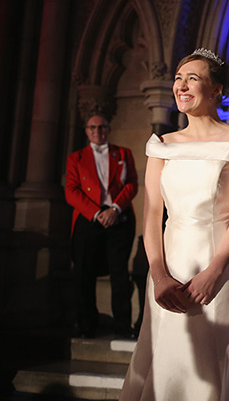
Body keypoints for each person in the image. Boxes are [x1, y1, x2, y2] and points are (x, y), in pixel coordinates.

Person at [120, 48, 229, 401]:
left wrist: (215, 270)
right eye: (178, 79)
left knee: (216, 354)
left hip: (222, 264)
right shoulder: (162, 145)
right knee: (171, 353)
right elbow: (152, 213)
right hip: (171, 263)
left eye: (193, 79)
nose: (181, 86)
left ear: (216, 89)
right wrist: (158, 274)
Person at [65, 114, 138, 339]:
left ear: (108, 129)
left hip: (118, 219)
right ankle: (86, 324)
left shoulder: (123, 153)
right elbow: (71, 191)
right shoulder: (76, 158)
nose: (98, 131)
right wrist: (96, 213)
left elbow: (132, 184)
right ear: (86, 130)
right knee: (84, 274)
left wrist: (115, 209)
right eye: (93, 127)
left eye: (102, 127)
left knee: (119, 274)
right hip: (89, 220)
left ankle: (123, 326)